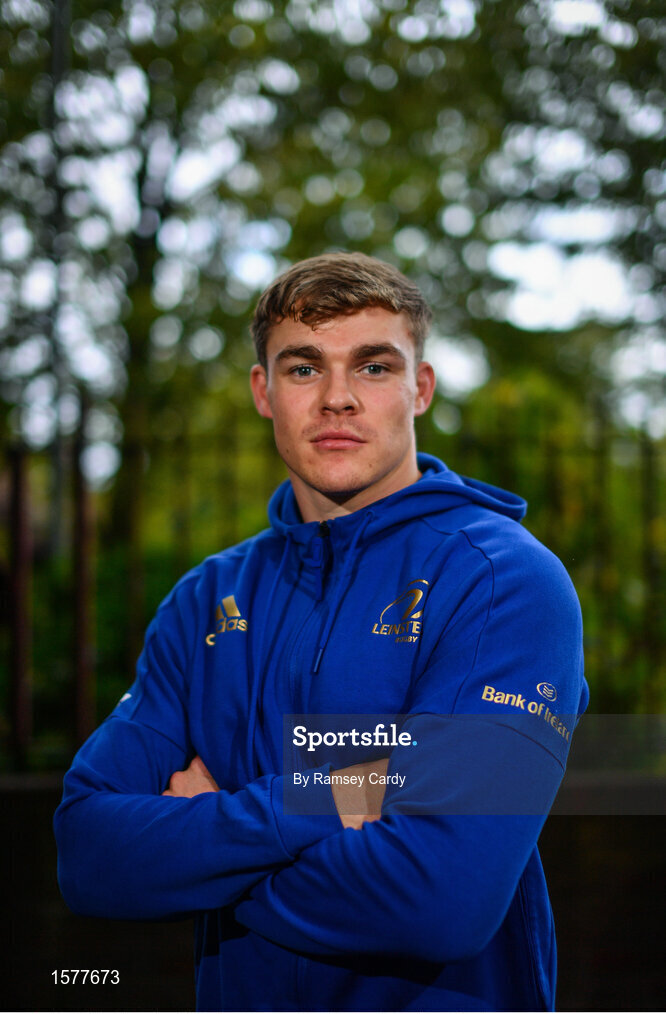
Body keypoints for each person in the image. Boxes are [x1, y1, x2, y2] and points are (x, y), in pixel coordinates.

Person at [55, 252, 588, 1012]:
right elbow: (89, 856)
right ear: (262, 390)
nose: (338, 398)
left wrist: (206, 843)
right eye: (303, 369)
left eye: (373, 367)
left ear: (420, 388)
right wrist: (325, 800)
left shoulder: (502, 582)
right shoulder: (206, 599)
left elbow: (441, 898)